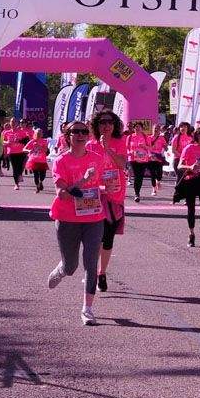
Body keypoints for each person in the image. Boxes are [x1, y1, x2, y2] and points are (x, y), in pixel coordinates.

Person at [45, 121, 108, 325]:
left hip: (93, 217)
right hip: (67, 219)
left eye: (84, 131)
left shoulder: (97, 159)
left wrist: (104, 188)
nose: (81, 134)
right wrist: (82, 181)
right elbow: (62, 195)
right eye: (76, 132)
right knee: (72, 266)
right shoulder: (61, 161)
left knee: (91, 263)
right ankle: (63, 268)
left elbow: (103, 182)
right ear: (67, 136)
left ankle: (87, 309)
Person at [86, 110, 130, 295]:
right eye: (103, 122)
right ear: (97, 125)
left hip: (115, 196)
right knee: (95, 237)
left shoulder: (120, 143)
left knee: (108, 237)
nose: (106, 125)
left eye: (110, 122)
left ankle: (102, 272)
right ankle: (92, 273)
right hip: (95, 195)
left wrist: (108, 149)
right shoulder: (89, 144)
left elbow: (122, 165)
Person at [127, 121, 156, 202]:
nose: (137, 128)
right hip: (133, 159)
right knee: (136, 176)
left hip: (143, 159)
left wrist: (143, 146)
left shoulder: (146, 137)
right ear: (134, 128)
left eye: (139, 127)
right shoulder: (129, 137)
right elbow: (127, 149)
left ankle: (137, 192)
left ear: (142, 128)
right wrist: (130, 152)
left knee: (140, 177)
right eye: (136, 127)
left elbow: (150, 148)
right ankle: (137, 194)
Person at [4, 116, 34, 188]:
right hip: (11, 152)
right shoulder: (6, 133)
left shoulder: (22, 132)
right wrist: (7, 142)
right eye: (12, 122)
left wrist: (20, 141)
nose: (13, 123)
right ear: (10, 123)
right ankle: (16, 184)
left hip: (21, 152)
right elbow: (2, 142)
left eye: (14, 122)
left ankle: (20, 174)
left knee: (20, 167)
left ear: (17, 123)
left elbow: (28, 141)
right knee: (15, 168)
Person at [24, 127, 50, 192]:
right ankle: (37, 186)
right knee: (36, 175)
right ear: (35, 134)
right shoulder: (32, 141)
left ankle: (41, 182)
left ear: (42, 134)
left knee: (43, 175)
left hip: (42, 161)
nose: (39, 134)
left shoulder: (44, 141)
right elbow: (24, 149)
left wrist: (40, 147)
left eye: (40, 133)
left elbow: (46, 150)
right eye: (37, 133)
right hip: (33, 161)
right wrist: (29, 150)